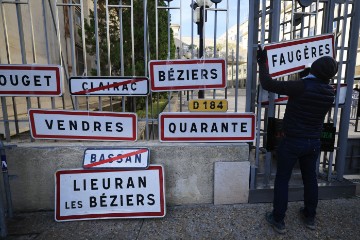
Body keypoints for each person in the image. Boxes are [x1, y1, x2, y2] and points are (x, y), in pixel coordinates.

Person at [257, 46, 337, 234]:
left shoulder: (301, 86)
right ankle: (310, 217)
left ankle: (278, 219)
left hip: (292, 141)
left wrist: (262, 62)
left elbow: (268, 84)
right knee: (310, 179)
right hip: (313, 142)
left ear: (313, 69)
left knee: (282, 179)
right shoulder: (329, 91)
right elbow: (314, 87)